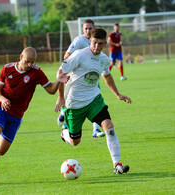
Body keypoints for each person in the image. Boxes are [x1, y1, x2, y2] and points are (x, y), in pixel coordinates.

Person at [0, 47, 69, 186]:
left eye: (32, 62)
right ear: (21, 56)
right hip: (1, 109)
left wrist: (58, 81)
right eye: (27, 61)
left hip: (17, 116)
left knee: (0, 151)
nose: (29, 65)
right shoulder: (7, 69)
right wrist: (3, 99)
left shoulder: (36, 72)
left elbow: (51, 90)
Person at [55, 28, 131, 174]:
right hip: (74, 104)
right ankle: (64, 132)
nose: (96, 47)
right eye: (94, 43)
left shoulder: (104, 59)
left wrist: (117, 94)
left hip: (94, 100)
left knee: (109, 126)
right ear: (90, 41)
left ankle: (117, 164)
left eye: (100, 44)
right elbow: (60, 72)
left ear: (105, 44)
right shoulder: (79, 55)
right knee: (75, 142)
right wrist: (60, 97)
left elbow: (107, 75)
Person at [57, 19, 105, 138]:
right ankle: (64, 115)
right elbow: (66, 56)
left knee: (95, 102)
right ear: (83, 30)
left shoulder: (97, 41)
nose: (88, 30)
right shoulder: (79, 41)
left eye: (90, 28)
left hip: (92, 77)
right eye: (86, 28)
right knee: (75, 101)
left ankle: (96, 130)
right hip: (78, 78)